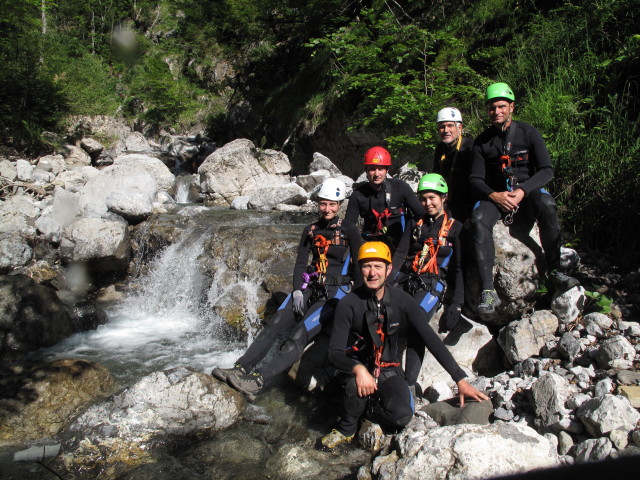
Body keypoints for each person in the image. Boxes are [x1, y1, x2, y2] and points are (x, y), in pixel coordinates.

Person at [320, 241, 488, 450]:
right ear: (359, 268)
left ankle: (366, 410)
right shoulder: (348, 304)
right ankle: (347, 428)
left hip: (389, 370)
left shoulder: (402, 300)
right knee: (354, 386)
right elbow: (334, 352)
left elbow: (430, 339)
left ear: (389, 269)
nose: (372, 273)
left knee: (402, 417)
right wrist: (358, 368)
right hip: (358, 370)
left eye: (378, 266)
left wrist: (460, 379)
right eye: (367, 266)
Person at [211, 178, 362, 398]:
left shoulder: (349, 230)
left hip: (332, 296)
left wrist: (355, 299)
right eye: (323, 203)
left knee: (299, 335)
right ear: (318, 203)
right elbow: (301, 263)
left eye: (332, 204)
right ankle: (241, 367)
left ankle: (259, 379)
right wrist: (297, 290)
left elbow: (358, 264)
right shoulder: (310, 230)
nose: (327, 209)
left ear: (339, 205)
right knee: (274, 325)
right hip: (308, 287)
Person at [469, 82, 579, 315]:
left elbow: (546, 170)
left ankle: (555, 270)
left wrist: (523, 191)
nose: (496, 111)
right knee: (479, 219)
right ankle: (488, 290)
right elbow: (475, 179)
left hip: (526, 193)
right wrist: (494, 195)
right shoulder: (481, 142)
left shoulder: (528, 133)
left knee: (547, 205)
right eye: (491, 107)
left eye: (501, 106)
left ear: (511, 107)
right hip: (497, 195)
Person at [391, 173, 464, 391]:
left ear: (444, 198)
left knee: (416, 324)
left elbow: (459, 268)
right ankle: (389, 373)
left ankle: (409, 382)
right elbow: (401, 253)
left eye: (432, 198)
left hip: (432, 283)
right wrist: (385, 281)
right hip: (408, 279)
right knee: (390, 321)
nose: (427, 203)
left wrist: (456, 304)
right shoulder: (415, 223)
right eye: (423, 199)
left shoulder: (455, 228)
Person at [345, 146, 423, 251]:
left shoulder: (400, 188)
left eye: (381, 169)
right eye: (372, 169)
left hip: (398, 243)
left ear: (387, 170)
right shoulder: (358, 195)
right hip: (369, 243)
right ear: (366, 171)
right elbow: (348, 227)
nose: (376, 174)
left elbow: (421, 214)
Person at [432, 107, 476, 223]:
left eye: (450, 125)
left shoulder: (471, 148)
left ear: (459, 127)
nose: (446, 130)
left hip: (467, 205)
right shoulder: (440, 149)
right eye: (442, 126)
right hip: (446, 203)